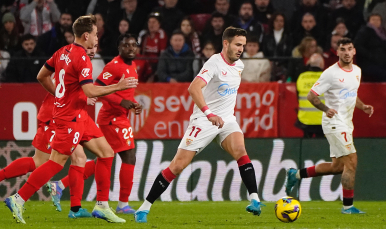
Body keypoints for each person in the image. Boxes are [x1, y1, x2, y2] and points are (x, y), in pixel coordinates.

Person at [4, 15, 137, 224]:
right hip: (69, 118)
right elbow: (90, 89)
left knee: (106, 152)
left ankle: (102, 205)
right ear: (86, 35)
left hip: (79, 115)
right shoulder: (82, 57)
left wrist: (60, 95)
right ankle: (18, 198)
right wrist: (118, 87)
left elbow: (42, 76)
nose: (96, 38)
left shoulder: (62, 51)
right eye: (94, 34)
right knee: (55, 162)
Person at [134, 27, 264, 223]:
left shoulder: (239, 66)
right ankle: (144, 208)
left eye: (243, 46)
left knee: (240, 150)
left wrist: (220, 115)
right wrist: (209, 113)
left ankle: (254, 199)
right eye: (238, 44)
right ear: (226, 43)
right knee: (177, 166)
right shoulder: (214, 62)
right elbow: (193, 88)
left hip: (227, 119)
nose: (241, 49)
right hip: (205, 119)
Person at [47, 33, 143, 215]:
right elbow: (97, 88)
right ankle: (122, 204)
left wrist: (131, 104)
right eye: (126, 45)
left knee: (104, 157)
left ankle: (60, 185)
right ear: (119, 48)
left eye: (133, 45)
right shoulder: (114, 66)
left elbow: (125, 94)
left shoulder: (134, 66)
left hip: (120, 117)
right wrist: (121, 102)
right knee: (128, 156)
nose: (130, 48)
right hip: (111, 119)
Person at [1, 45, 98, 218]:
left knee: (79, 157)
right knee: (40, 162)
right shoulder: (76, 60)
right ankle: (17, 195)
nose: (94, 48)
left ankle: (75, 208)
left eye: (96, 46)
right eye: (91, 44)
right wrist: (84, 96)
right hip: (56, 116)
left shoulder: (69, 55)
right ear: (84, 38)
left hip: (65, 115)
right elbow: (64, 88)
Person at [285, 37, 374, 214]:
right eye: (343, 49)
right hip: (334, 123)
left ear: (354, 51)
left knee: (338, 167)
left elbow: (351, 93)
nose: (347, 52)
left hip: (347, 123)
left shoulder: (357, 70)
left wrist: (362, 106)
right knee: (352, 161)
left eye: (350, 49)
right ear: (337, 52)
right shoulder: (330, 73)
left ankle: (295, 174)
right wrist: (326, 109)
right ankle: (348, 207)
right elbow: (311, 96)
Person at [295, 53, 324, 138]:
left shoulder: (301, 77)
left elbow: (297, 97)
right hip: (322, 121)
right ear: (321, 64)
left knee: (306, 144)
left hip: (305, 120)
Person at [354, 13, 386, 82]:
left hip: (381, 61)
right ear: (368, 21)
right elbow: (358, 46)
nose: (376, 22)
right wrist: (371, 55)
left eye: (378, 20)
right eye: (373, 19)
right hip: (368, 62)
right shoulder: (364, 31)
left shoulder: (383, 33)